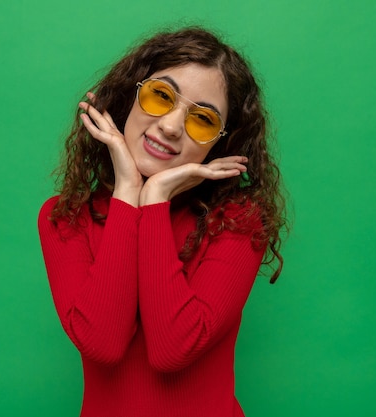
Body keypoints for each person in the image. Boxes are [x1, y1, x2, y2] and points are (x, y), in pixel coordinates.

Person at [38, 26, 286, 417]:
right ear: (129, 97)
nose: (170, 126)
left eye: (202, 120)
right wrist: (127, 193)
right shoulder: (65, 216)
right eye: (161, 96)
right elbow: (103, 344)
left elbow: (173, 350)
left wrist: (154, 199)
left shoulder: (238, 221)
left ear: (219, 143)